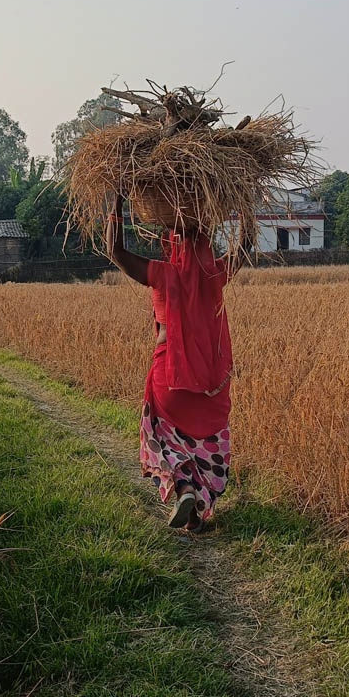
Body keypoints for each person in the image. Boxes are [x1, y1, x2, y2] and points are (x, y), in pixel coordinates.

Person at [105, 194, 246, 533]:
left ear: (173, 246)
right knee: (204, 448)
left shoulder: (161, 273)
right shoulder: (216, 273)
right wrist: (243, 208)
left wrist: (118, 203)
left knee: (164, 442)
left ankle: (184, 492)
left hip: (168, 377)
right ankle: (196, 507)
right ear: (206, 246)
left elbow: (117, 253)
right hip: (210, 385)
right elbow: (244, 249)